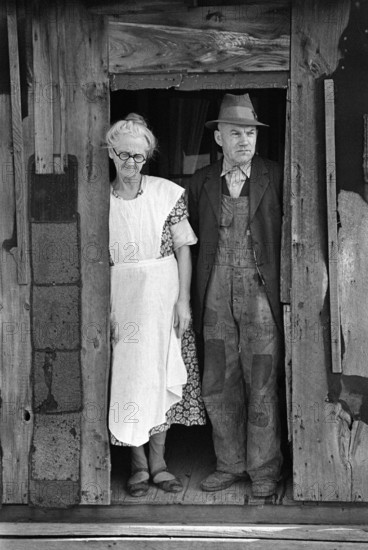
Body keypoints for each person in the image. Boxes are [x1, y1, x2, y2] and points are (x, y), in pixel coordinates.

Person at [188, 93, 283, 497]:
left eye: (250, 133)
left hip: (259, 295)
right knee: (218, 381)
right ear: (219, 139)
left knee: (261, 378)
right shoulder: (202, 182)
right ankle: (229, 464)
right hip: (214, 295)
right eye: (235, 133)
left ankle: (264, 469)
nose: (245, 140)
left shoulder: (275, 176)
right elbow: (189, 243)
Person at [107, 113, 206, 498]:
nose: (132, 164)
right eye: (125, 156)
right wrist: (107, 311)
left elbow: (184, 249)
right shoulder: (101, 199)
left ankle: (161, 465)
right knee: (130, 380)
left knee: (161, 374)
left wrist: (183, 301)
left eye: (139, 157)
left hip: (163, 301)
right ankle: (137, 466)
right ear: (111, 154)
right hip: (123, 301)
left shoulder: (167, 194)